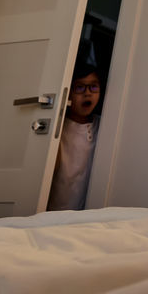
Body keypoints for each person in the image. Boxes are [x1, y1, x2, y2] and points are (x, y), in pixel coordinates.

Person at [46, 54, 102, 211]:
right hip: (56, 208)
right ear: (69, 93)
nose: (88, 93)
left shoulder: (103, 125)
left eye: (94, 87)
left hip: (86, 211)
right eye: (80, 87)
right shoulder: (60, 128)